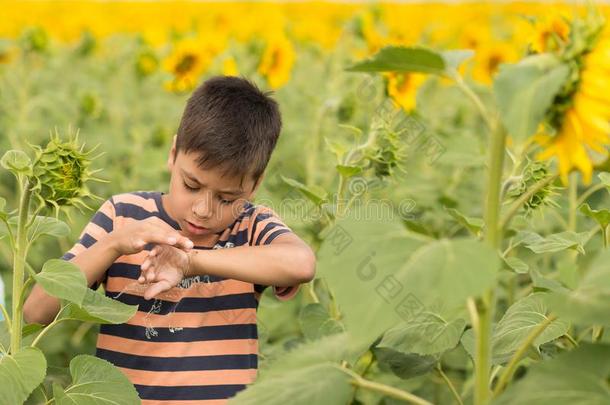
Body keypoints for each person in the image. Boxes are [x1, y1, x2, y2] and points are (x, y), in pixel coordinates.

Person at [23, 76, 316, 403]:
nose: (203, 210)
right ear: (173, 153)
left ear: (256, 183)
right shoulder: (124, 216)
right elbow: (37, 312)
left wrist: (192, 261)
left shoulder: (250, 227)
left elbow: (301, 264)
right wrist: (113, 245)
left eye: (226, 197)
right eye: (191, 185)